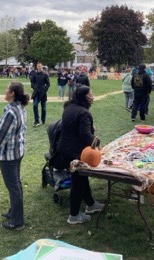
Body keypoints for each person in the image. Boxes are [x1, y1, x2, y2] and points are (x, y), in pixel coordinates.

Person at [53, 86, 104, 224]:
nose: (92, 96)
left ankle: (91, 204)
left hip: (63, 149)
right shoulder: (84, 113)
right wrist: (97, 142)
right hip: (74, 152)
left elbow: (72, 127)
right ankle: (73, 216)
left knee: (82, 178)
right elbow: (86, 136)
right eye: (90, 94)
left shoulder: (69, 107)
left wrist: (88, 128)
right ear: (84, 97)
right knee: (78, 181)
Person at [0, 82, 29, 230]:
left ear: (12, 93)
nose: (5, 91)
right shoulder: (20, 109)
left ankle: (17, 221)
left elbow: (2, 135)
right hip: (17, 152)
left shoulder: (11, 113)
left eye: (7, 89)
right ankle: (13, 212)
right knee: (16, 184)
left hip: (9, 155)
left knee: (13, 186)